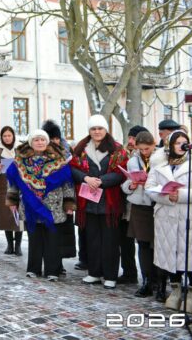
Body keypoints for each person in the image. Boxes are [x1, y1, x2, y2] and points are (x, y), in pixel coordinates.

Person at [6, 130, 76, 281]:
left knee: (53, 239)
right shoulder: (21, 161)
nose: (40, 143)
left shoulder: (59, 160)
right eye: (36, 140)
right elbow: (13, 183)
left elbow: (67, 184)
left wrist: (69, 203)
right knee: (34, 238)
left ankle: (53, 270)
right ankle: (33, 268)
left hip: (54, 206)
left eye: (42, 140)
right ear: (31, 142)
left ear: (47, 142)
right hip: (31, 206)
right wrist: (12, 201)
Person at [145, 130, 192, 311]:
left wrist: (182, 196)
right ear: (169, 146)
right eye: (177, 143)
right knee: (171, 255)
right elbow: (149, 189)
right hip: (166, 218)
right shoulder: (158, 166)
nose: (181, 146)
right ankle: (175, 289)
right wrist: (167, 197)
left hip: (190, 217)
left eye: (185, 142)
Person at [70, 114, 128, 289]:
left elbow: (121, 172)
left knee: (110, 241)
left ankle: (110, 275)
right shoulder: (81, 148)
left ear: (106, 130)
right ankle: (94, 273)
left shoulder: (117, 149)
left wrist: (101, 181)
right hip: (88, 202)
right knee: (92, 239)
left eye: (100, 128)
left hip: (110, 202)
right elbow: (72, 169)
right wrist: (86, 178)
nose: (96, 131)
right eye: (93, 128)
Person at [122, 131, 158, 298]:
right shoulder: (132, 161)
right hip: (139, 205)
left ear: (154, 144)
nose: (144, 152)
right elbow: (126, 183)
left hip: (157, 204)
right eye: (141, 149)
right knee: (143, 244)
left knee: (158, 245)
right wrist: (131, 185)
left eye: (147, 149)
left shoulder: (161, 159)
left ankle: (160, 280)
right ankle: (146, 281)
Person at [116, 125, 149, 285]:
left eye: (133, 138)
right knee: (125, 241)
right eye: (129, 138)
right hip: (123, 204)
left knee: (145, 242)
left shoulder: (146, 156)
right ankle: (129, 272)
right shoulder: (122, 154)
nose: (130, 141)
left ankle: (151, 278)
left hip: (141, 205)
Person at [42, 120, 75, 268]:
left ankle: (59, 262)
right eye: (52, 138)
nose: (55, 141)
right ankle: (50, 261)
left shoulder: (67, 151)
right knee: (48, 232)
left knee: (63, 231)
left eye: (57, 138)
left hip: (64, 197)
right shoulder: (41, 152)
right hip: (46, 198)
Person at [0, 126, 22, 256]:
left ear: (13, 136)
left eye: (9, 135)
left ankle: (18, 246)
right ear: (1, 137)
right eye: (5, 136)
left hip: (19, 186)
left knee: (18, 215)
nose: (7, 138)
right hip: (4, 186)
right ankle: (9, 244)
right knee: (6, 215)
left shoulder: (20, 148)